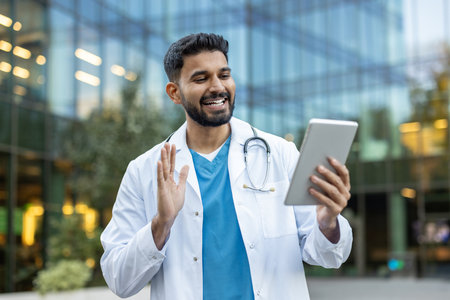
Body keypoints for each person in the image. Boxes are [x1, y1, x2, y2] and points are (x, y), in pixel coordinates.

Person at [100, 33, 353, 300]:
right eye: (201, 78)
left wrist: (327, 222)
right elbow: (120, 281)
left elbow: (328, 256)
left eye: (224, 75)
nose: (217, 87)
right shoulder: (144, 171)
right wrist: (161, 225)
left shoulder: (280, 154)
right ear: (175, 93)